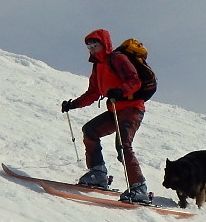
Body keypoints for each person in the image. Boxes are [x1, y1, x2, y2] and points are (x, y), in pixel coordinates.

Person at [61, 29, 152, 203]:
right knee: (90, 131)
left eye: (95, 44)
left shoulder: (118, 59)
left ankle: (139, 188)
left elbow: (135, 80)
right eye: (89, 46)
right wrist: (74, 104)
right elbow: (93, 92)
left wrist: (121, 91)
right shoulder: (98, 66)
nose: (92, 49)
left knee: (123, 145)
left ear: (105, 44)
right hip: (115, 110)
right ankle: (98, 173)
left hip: (132, 109)